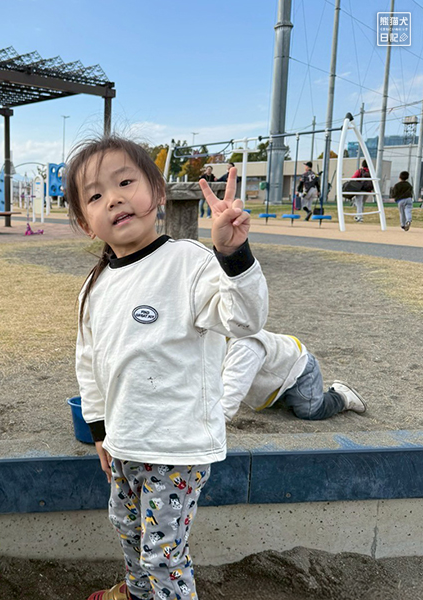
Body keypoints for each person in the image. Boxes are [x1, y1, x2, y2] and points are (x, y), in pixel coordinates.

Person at [66, 136, 268, 600]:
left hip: (176, 445)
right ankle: (137, 594)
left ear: (156, 191)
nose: (113, 198)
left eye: (125, 182)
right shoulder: (93, 288)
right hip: (124, 442)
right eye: (96, 195)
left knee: (164, 552)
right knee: (127, 528)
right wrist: (100, 432)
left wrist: (233, 256)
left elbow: (245, 319)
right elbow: (89, 365)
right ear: (86, 222)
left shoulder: (190, 264)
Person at [220, 329, 366, 422]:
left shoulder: (245, 347)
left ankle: (342, 396)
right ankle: (284, 397)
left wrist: (217, 420)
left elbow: (233, 389)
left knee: (310, 411)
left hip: (298, 371)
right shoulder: (212, 341)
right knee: (283, 406)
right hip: (274, 381)